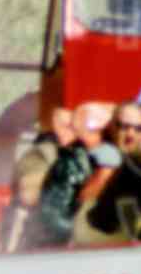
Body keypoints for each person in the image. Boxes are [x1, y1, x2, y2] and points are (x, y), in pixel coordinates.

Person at [76, 103, 141, 245]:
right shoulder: (88, 158)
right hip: (92, 245)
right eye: (124, 126)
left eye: (140, 128)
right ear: (113, 127)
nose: (131, 134)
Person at [33, 102, 112, 248]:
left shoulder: (102, 160)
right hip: (69, 253)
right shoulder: (72, 165)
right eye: (106, 131)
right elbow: (54, 218)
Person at [2, 105, 75, 251]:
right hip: (33, 247)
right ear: (59, 127)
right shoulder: (41, 154)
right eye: (71, 127)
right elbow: (28, 194)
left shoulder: (89, 158)